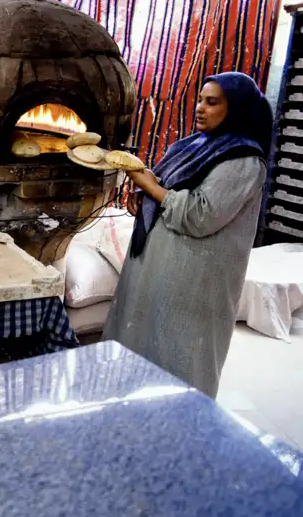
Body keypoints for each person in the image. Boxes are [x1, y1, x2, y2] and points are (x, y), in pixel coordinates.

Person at [104, 72, 273, 398]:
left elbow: (201, 215)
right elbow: (166, 189)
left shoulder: (244, 161)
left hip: (194, 282)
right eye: (199, 100)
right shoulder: (191, 146)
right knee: (139, 343)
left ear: (236, 108)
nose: (200, 108)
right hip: (157, 269)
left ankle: (179, 429)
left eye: (212, 102)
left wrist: (150, 186)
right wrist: (145, 185)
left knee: (178, 358)